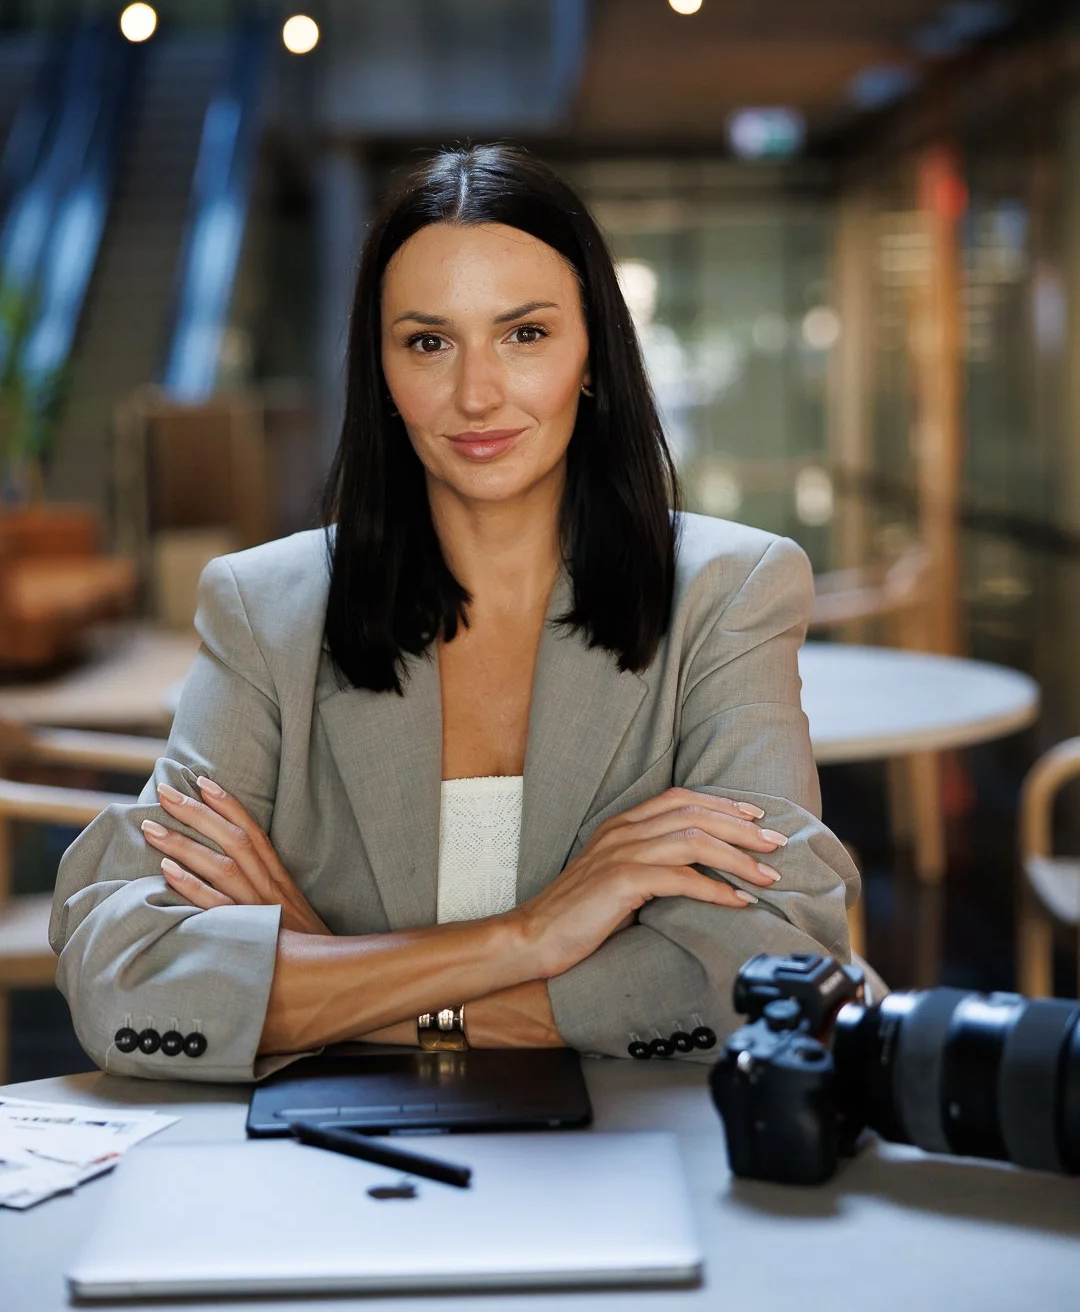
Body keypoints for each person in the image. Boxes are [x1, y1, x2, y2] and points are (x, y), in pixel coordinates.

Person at [50, 143, 859, 1082]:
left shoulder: (730, 590)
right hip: (323, 1173)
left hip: (634, 1155)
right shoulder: (264, 609)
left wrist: (329, 975)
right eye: (429, 342)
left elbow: (762, 973)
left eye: (525, 335)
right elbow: (122, 977)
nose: (477, 393)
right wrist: (530, 936)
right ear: (383, 375)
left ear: (593, 353)